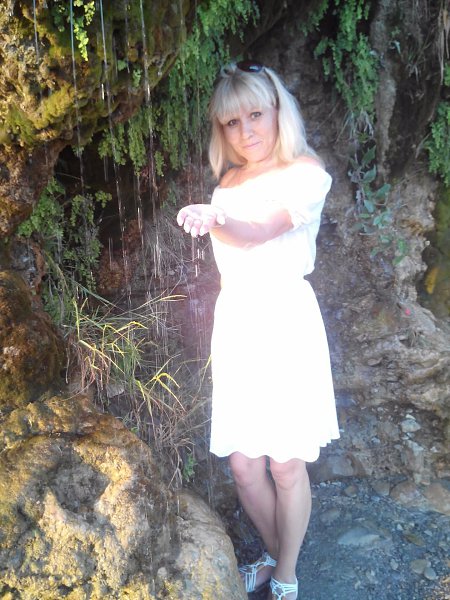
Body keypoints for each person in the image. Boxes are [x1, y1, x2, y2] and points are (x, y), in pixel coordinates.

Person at [177, 61, 340, 600]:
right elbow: (236, 244)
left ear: (277, 112)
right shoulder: (226, 184)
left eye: (255, 115)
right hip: (239, 324)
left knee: (286, 464)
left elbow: (258, 232)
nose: (245, 131)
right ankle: (277, 554)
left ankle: (287, 576)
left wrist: (218, 220)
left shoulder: (305, 173)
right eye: (231, 122)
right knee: (245, 467)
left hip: (285, 321)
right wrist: (218, 214)